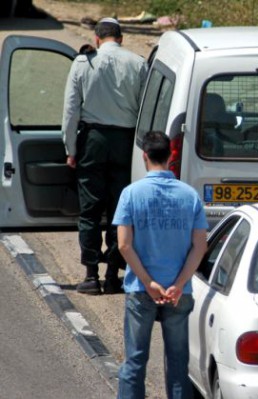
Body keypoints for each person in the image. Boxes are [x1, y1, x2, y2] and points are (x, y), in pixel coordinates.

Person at [113, 131, 208, 399]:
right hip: (179, 294)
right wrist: (177, 285)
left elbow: (123, 245)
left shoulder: (131, 194)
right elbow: (200, 245)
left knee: (134, 362)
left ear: (144, 156)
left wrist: (148, 282)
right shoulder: (189, 196)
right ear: (171, 156)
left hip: (141, 290)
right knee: (178, 364)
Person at [61, 17, 148, 295]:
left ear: (97, 39)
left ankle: (90, 275)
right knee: (119, 210)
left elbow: (71, 111)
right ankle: (112, 275)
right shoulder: (138, 63)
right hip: (126, 142)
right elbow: (146, 110)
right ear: (121, 38)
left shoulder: (83, 62)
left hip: (93, 142)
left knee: (90, 211)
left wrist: (70, 150)